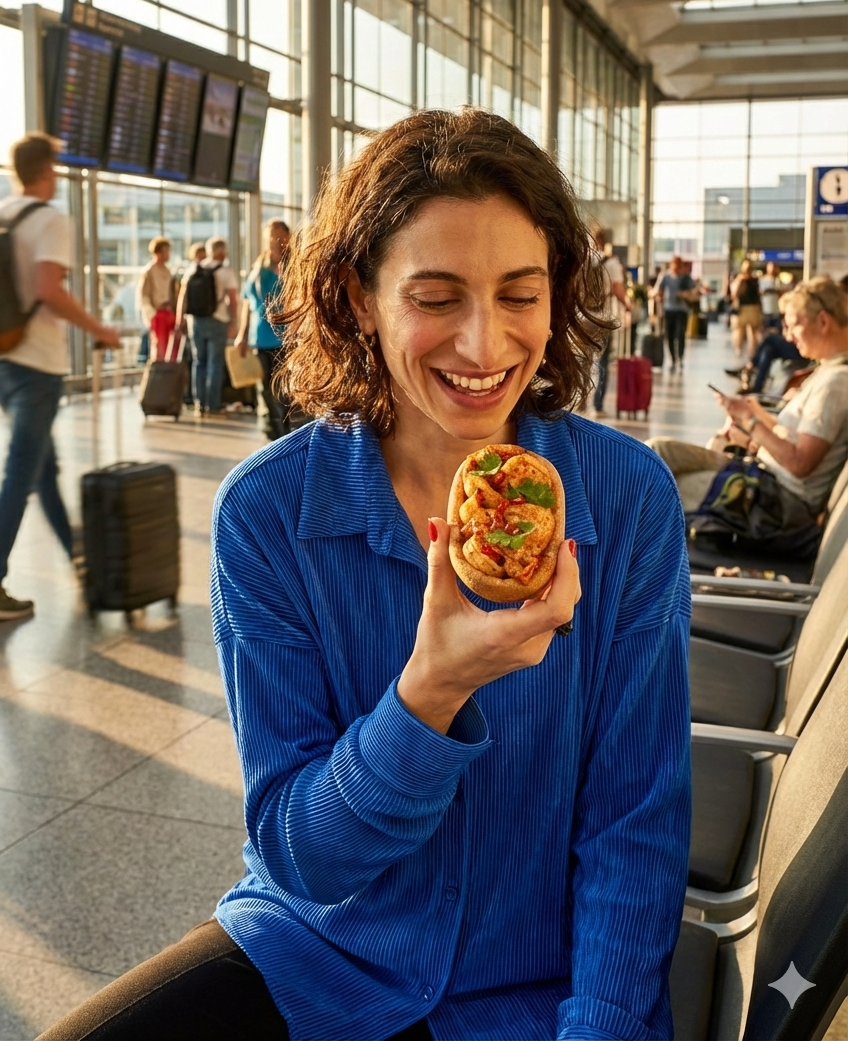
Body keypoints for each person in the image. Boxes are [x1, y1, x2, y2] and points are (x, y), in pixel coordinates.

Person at [45, 109, 691, 1041]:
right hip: (320, 958)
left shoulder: (624, 500)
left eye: (520, 294)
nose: (484, 346)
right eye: (435, 297)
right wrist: (429, 695)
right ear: (357, 298)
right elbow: (303, 858)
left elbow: (636, 827)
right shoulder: (268, 514)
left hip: (537, 991)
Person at [0, 132, 120, 622]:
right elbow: (50, 289)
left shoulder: (4, 213)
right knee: (22, 471)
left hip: (4, 356)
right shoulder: (51, 220)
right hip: (37, 365)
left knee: (41, 467)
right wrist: (100, 330)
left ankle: (76, 552)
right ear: (47, 171)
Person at [647, 277, 848, 516]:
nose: (789, 336)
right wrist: (747, 416)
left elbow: (799, 463)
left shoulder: (835, 382)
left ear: (823, 322)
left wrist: (751, 423)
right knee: (658, 452)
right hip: (762, 476)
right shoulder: (826, 372)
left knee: (656, 486)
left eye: (794, 325)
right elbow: (793, 435)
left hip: (774, 499)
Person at [235, 219, 291, 440]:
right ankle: (275, 434)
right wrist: (241, 334)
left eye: (280, 236)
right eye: (271, 237)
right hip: (261, 337)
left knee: (285, 390)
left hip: (287, 337)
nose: (275, 242)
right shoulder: (259, 269)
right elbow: (247, 305)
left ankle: (284, 431)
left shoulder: (294, 266)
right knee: (266, 389)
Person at [176, 237, 239, 416]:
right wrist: (234, 322)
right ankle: (213, 405)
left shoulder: (193, 268)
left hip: (195, 321)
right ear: (223, 252)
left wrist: (180, 318)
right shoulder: (225, 271)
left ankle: (199, 404)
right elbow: (232, 299)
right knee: (215, 363)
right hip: (217, 320)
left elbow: (183, 296)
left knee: (199, 362)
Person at [589, 224, 629, 417]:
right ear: (606, 241)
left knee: (582, 360)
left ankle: (578, 404)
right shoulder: (611, 263)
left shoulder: (581, 261)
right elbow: (618, 290)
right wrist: (627, 305)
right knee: (602, 361)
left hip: (581, 318)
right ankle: (598, 406)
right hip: (603, 318)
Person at [651, 255, 698, 371]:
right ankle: (673, 358)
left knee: (680, 334)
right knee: (669, 335)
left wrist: (685, 294)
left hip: (682, 310)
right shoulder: (665, 276)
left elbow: (695, 290)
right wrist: (657, 295)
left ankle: (680, 357)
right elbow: (659, 290)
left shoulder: (685, 278)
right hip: (669, 309)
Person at [136, 237, 176, 362]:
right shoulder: (149, 271)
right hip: (158, 313)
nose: (168, 254)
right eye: (165, 251)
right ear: (158, 252)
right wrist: (151, 315)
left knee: (172, 348)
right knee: (160, 347)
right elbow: (144, 295)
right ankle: (160, 373)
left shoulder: (169, 271)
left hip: (170, 312)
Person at [730, 259, 762, 358]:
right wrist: (741, 280)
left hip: (753, 307)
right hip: (742, 308)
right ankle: (738, 350)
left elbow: (758, 294)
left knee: (753, 332)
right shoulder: (739, 279)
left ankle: (752, 354)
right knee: (739, 331)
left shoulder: (755, 280)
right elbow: (734, 294)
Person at [758, 260, 782, 331]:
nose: (772, 269)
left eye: (774, 267)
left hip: (777, 311)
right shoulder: (762, 280)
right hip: (765, 310)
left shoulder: (779, 280)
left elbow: (781, 292)